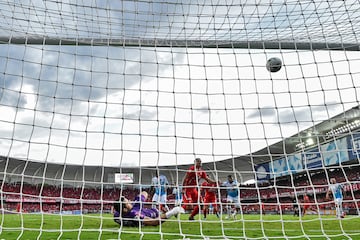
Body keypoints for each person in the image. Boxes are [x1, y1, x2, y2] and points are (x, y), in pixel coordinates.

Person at [113, 191, 184, 226]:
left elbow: (144, 193)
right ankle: (172, 211)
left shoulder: (117, 215)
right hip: (155, 213)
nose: (129, 201)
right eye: (127, 202)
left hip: (147, 210)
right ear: (125, 209)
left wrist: (139, 199)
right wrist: (172, 212)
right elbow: (154, 222)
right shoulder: (134, 213)